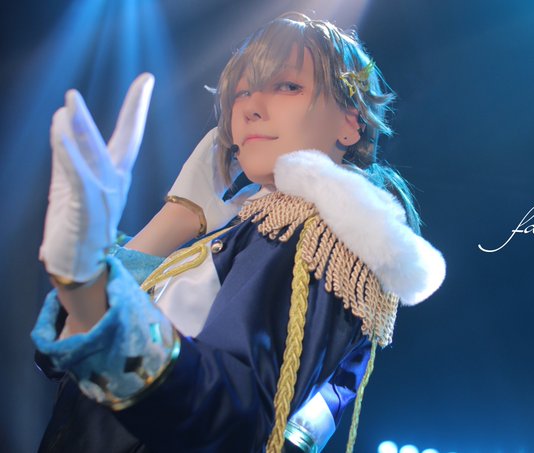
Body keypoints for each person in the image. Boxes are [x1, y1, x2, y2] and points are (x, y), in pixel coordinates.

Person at [32, 13, 445, 453]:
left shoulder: (317, 230)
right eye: (242, 92)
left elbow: (228, 418)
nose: (250, 107)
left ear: (350, 123)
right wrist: (177, 219)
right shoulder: (247, 231)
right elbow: (65, 370)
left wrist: (87, 282)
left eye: (287, 86)